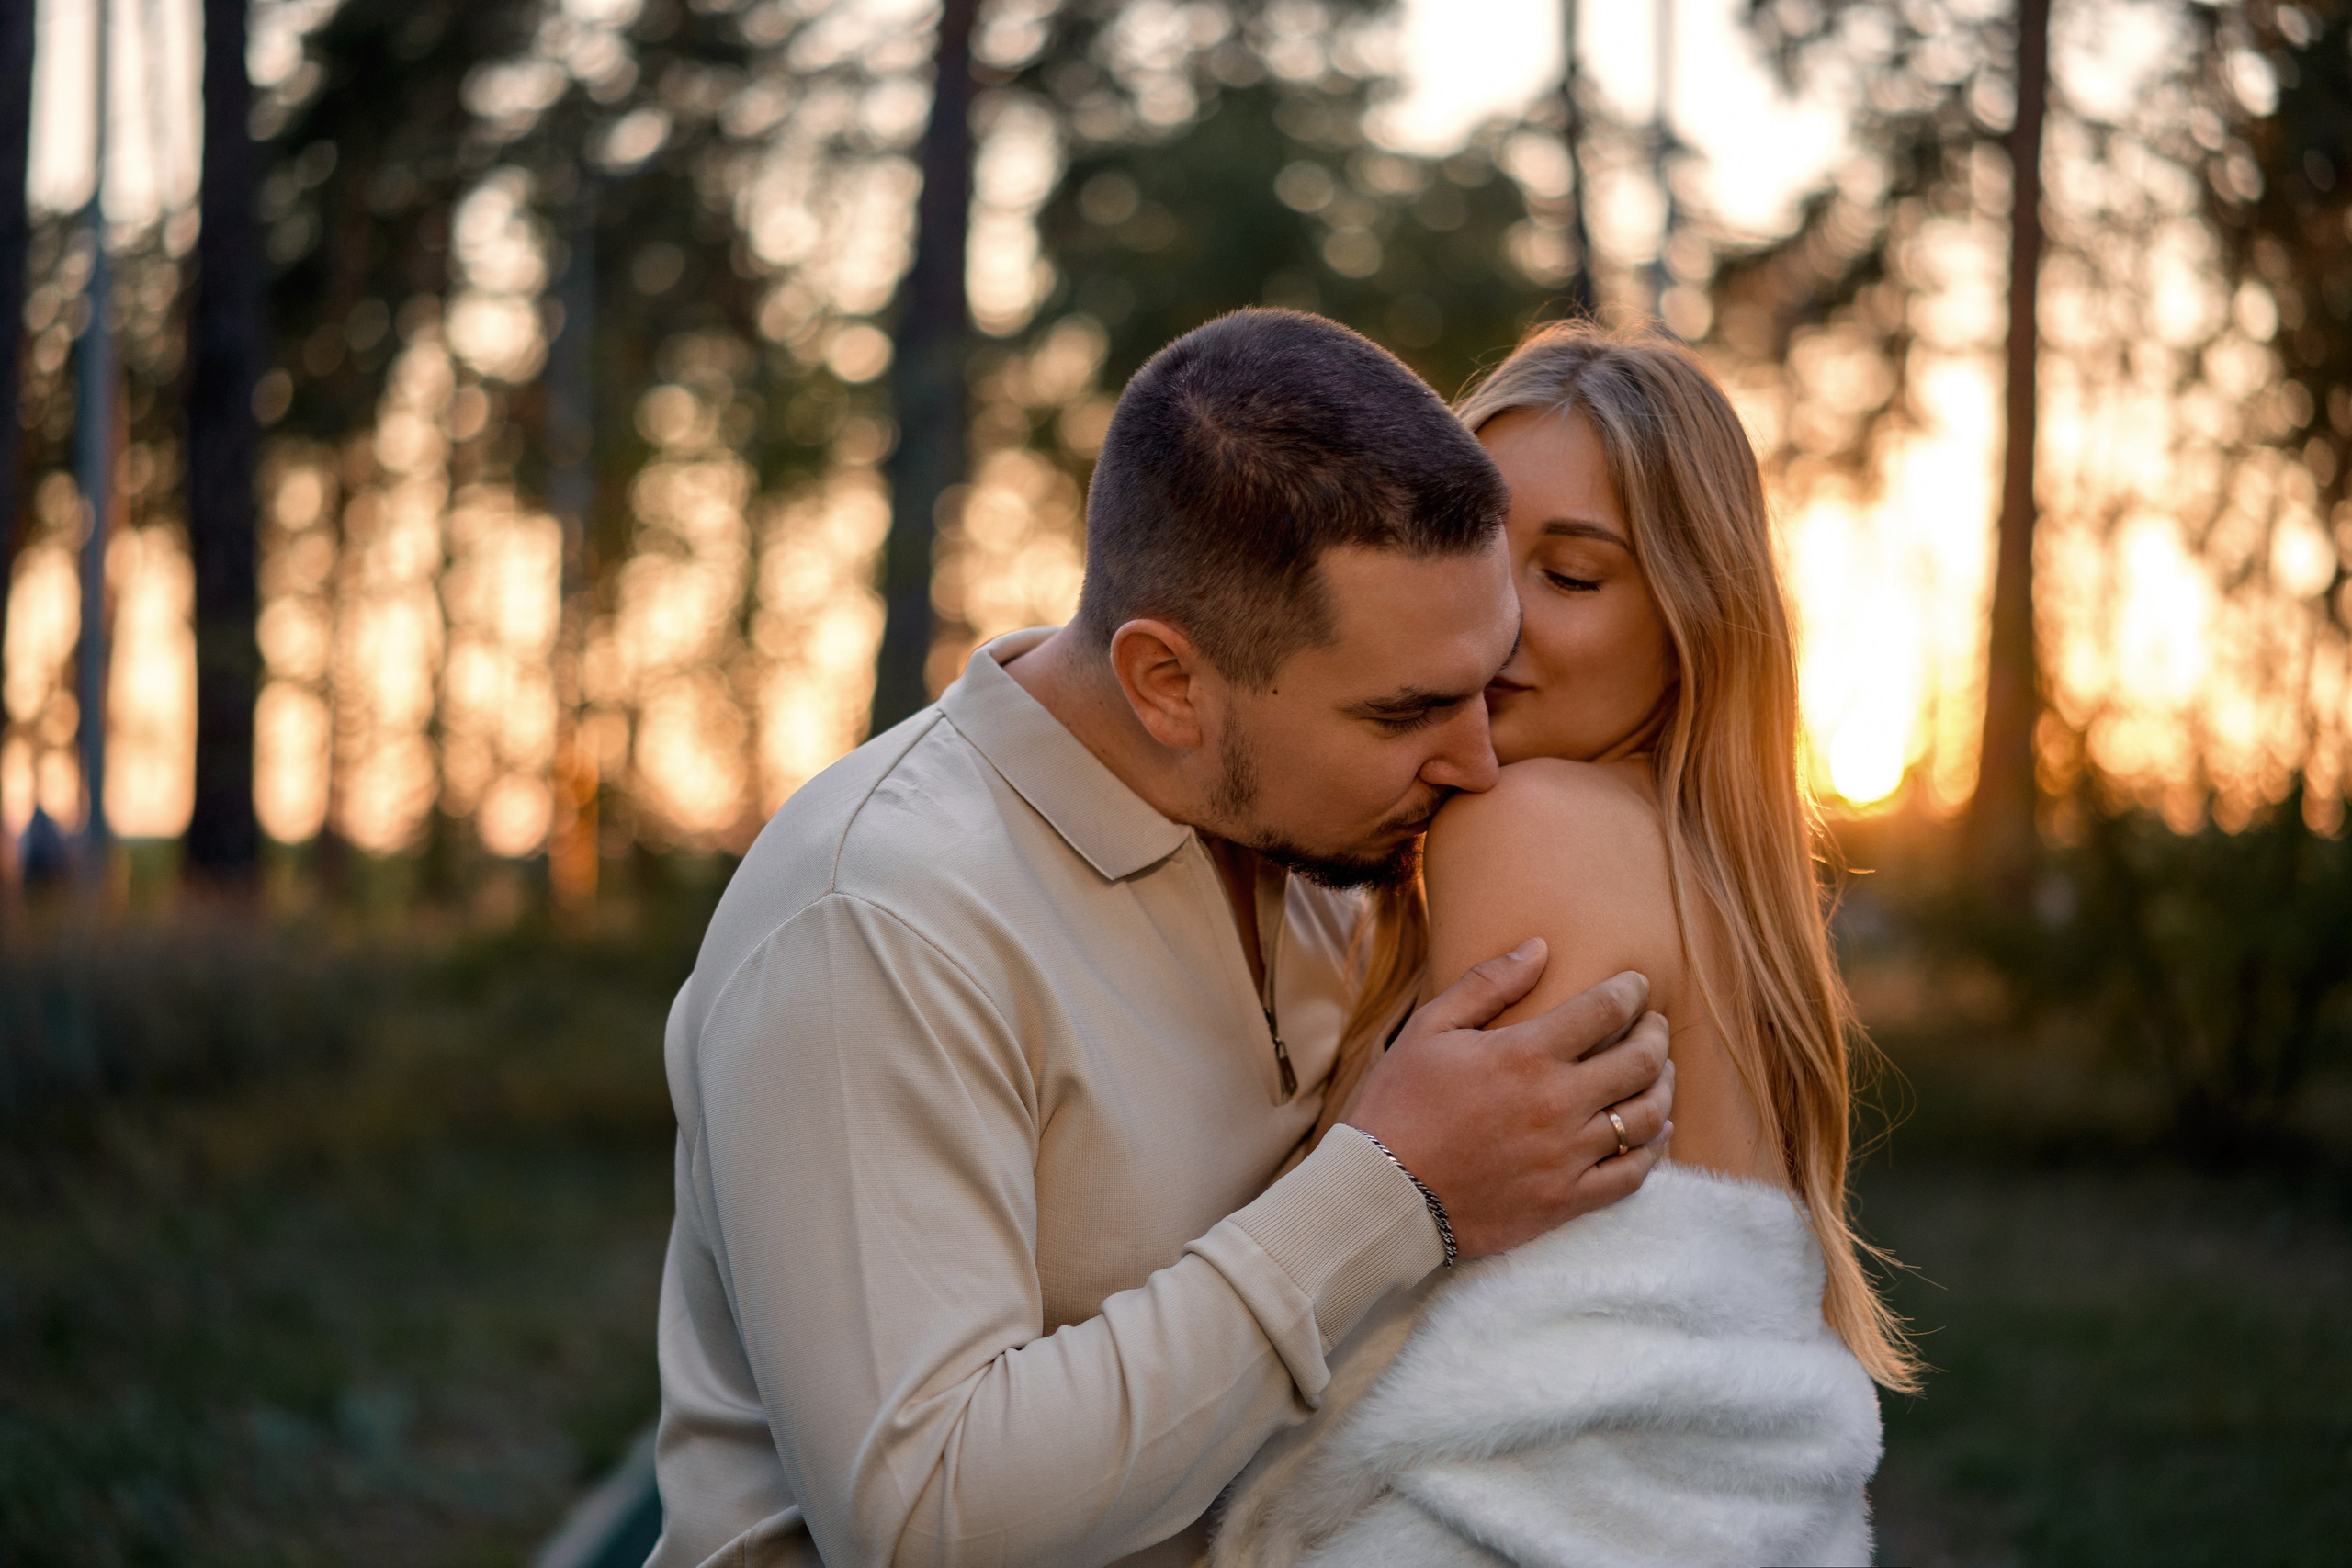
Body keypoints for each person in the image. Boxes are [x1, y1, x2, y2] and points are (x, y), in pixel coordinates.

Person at [646, 310, 1676, 1568]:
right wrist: (1394, 1184)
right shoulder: (878, 919)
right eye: (1405, 712)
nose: (1473, 760)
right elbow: (923, 1524)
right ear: (1168, 684)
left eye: (1485, 682)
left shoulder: (1319, 845)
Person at [1211, 322, 1918, 1568]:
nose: (1496, 626)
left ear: (1696, 616)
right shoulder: (1715, 874)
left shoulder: (1522, 821)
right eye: (1478, 557)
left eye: (1573, 576)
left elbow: (1384, 1280)